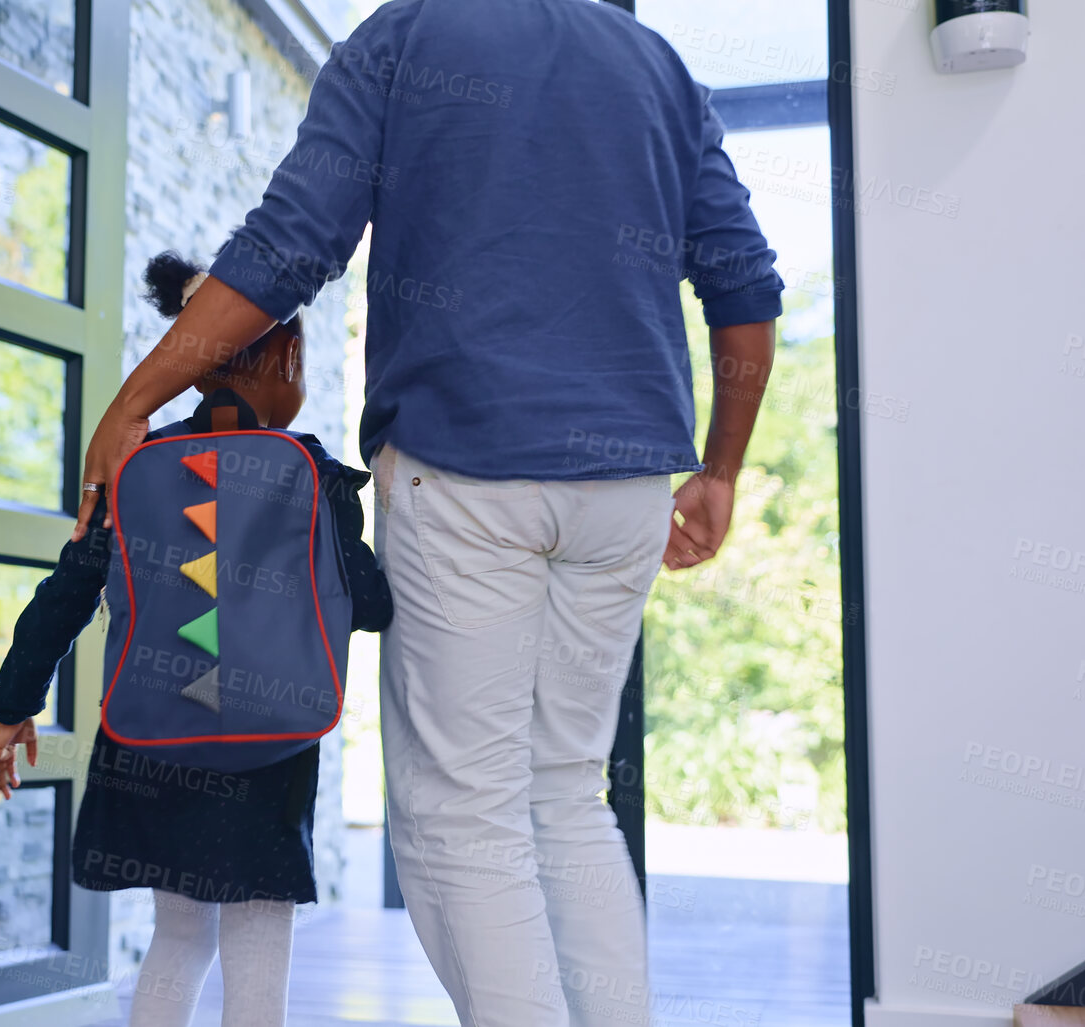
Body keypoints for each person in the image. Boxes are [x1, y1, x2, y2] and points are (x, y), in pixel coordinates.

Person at [70, 2, 782, 1024]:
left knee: (465, 823)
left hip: (469, 465)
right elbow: (744, 282)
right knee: (567, 799)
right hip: (627, 485)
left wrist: (136, 400)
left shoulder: (405, 39)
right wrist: (721, 467)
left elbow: (288, 248)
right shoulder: (653, 63)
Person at [0, 251, 392, 1027]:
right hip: (268, 740)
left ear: (194, 369)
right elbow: (369, 604)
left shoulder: (132, 469)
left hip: (153, 737)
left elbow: (66, 593)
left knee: (178, 933)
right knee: (258, 928)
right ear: (292, 358)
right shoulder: (316, 474)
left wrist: (13, 703)